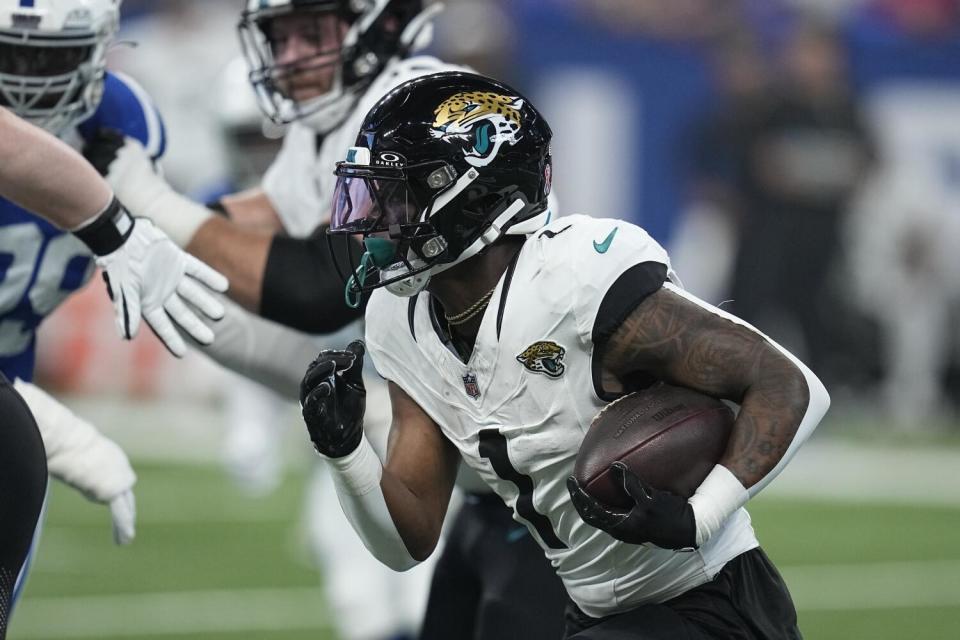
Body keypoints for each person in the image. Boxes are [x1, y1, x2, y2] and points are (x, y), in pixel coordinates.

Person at [85, 2, 570, 638]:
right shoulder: (336, 120)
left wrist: (149, 201)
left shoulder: (411, 107)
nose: (290, 59)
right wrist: (124, 221)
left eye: (311, 33)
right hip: (472, 458)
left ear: (380, 24)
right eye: (279, 39)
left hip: (537, 469)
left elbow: (322, 283)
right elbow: (271, 221)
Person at [299, 71, 831, 639]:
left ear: (472, 195)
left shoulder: (576, 279)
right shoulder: (399, 320)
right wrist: (346, 451)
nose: (373, 223)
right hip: (587, 609)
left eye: (398, 198)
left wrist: (703, 513)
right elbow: (408, 541)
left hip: (710, 603)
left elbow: (790, 385)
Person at [0, 0, 226, 627]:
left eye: (48, 58)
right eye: (10, 56)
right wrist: (60, 431)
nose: (27, 82)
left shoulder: (123, 124)